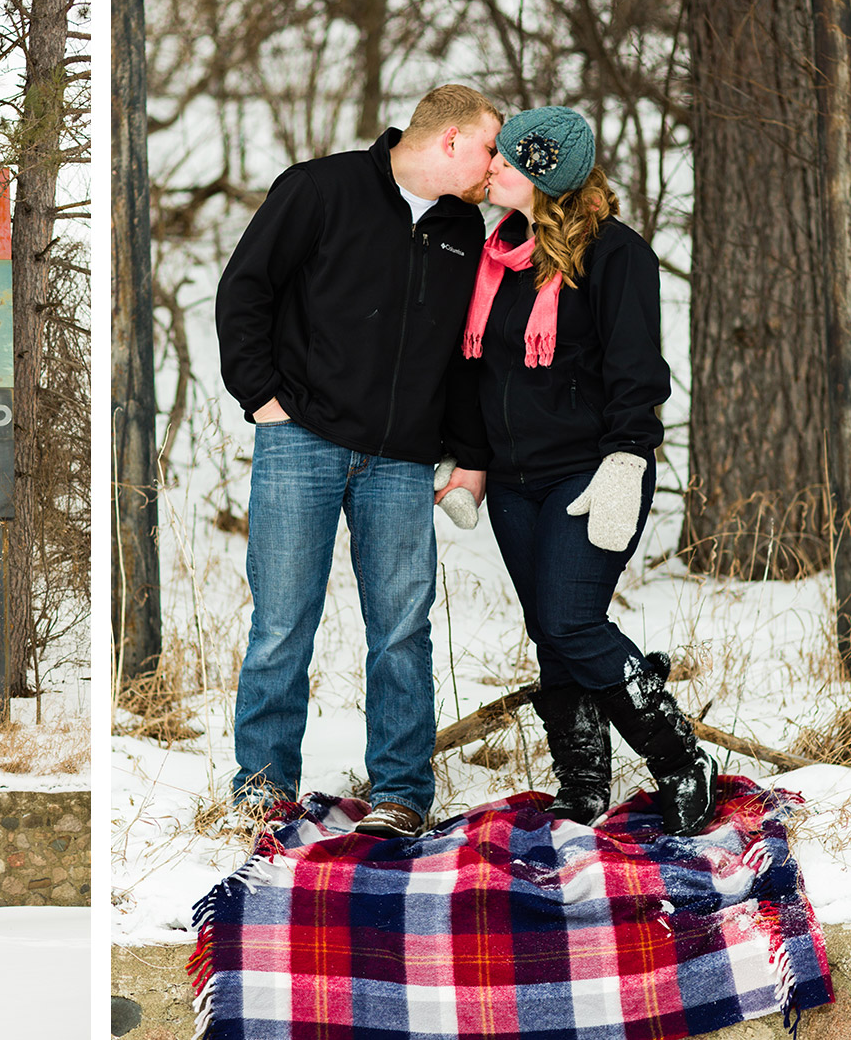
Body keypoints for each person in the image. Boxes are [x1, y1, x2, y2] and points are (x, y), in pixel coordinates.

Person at [216, 84, 501, 838]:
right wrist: (263, 399)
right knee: (282, 622)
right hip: (301, 439)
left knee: (403, 627)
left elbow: (465, 356)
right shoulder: (320, 189)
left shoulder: (464, 229)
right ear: (449, 141)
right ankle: (263, 792)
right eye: (488, 147)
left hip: (403, 459)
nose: (493, 165)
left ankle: (402, 791)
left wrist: (467, 456)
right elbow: (244, 292)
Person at [451, 105, 716, 835]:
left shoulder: (614, 253)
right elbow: (479, 373)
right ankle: (583, 778)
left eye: (507, 157)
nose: (493, 165)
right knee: (550, 627)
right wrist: (473, 465)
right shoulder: (497, 253)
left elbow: (638, 366)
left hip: (591, 472)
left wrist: (627, 460)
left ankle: (679, 759)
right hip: (514, 480)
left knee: (572, 619)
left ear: (541, 175)